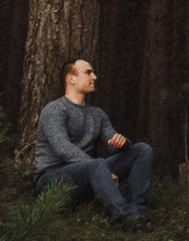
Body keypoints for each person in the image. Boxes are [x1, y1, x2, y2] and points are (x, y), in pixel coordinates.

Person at [32, 57, 153, 229]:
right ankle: (126, 217)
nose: (94, 77)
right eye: (88, 72)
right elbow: (62, 148)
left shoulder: (97, 114)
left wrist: (123, 143)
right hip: (52, 180)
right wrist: (101, 168)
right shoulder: (54, 110)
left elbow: (113, 144)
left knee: (142, 149)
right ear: (71, 79)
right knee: (97, 164)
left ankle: (138, 212)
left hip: (89, 176)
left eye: (93, 73)